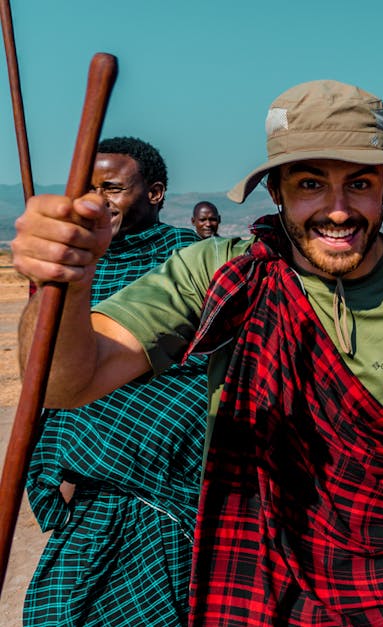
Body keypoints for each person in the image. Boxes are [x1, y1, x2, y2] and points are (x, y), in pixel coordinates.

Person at [14, 80, 383, 626]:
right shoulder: (219, 274)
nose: (337, 211)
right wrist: (62, 283)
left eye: (359, 183)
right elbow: (68, 383)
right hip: (256, 582)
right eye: (310, 184)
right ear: (276, 191)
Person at [22, 137, 208, 627]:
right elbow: (53, 379)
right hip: (91, 490)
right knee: (59, 610)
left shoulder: (190, 262)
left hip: (173, 490)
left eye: (112, 188)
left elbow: (204, 374)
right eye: (88, 189)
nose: (96, 201)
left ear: (155, 194)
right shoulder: (71, 274)